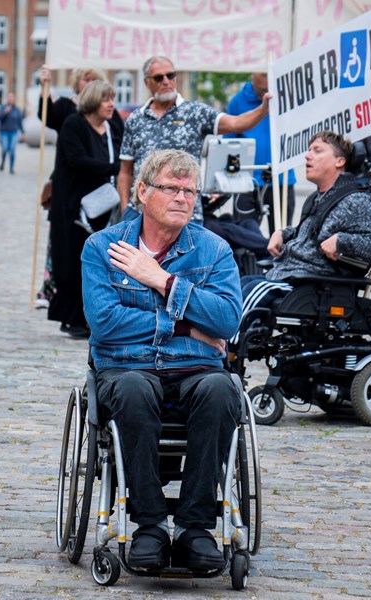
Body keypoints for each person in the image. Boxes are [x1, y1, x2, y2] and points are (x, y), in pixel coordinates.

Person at [82, 149, 242, 571]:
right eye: (171, 188)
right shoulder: (103, 247)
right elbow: (105, 324)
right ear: (142, 192)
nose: (182, 198)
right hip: (127, 366)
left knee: (222, 390)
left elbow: (227, 319)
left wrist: (163, 280)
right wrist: (186, 326)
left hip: (195, 370)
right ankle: (149, 525)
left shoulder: (213, 250)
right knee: (135, 389)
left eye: (190, 191)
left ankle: (195, 528)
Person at [240, 131, 371, 317]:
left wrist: (341, 241)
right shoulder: (318, 197)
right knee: (239, 284)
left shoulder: (355, 200)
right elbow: (310, 233)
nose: (307, 155)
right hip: (291, 274)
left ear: (339, 161)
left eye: (317, 150)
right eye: (309, 150)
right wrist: (284, 234)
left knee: (250, 295)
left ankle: (223, 346)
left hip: (313, 284)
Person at [117, 55, 269, 223]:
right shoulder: (135, 119)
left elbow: (236, 123)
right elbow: (125, 171)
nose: (166, 81)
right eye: (159, 77)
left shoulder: (195, 112)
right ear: (147, 82)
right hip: (140, 213)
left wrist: (263, 109)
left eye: (171, 75)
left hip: (184, 212)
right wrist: (125, 209)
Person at [48, 81, 122, 338]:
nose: (111, 104)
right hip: (73, 205)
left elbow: (123, 154)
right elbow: (77, 160)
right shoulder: (74, 124)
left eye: (112, 98)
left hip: (104, 203)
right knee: (70, 261)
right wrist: (116, 169)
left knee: (98, 262)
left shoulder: (112, 127)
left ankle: (91, 316)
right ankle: (72, 318)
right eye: (105, 99)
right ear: (93, 102)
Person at [225, 72, 295, 234]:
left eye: (269, 90)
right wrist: (231, 178)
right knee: (245, 234)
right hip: (247, 180)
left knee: (283, 233)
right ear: (252, 81)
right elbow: (229, 142)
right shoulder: (238, 101)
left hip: (282, 177)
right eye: (261, 90)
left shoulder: (287, 97)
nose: (265, 95)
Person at [0, 92, 24, 174]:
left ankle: (11, 168)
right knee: (4, 148)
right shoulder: (3, 107)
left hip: (14, 132)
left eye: (12, 97)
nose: (11, 99)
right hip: (4, 132)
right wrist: (5, 113)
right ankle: (3, 163)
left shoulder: (17, 109)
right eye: (9, 97)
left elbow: (19, 121)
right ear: (7, 98)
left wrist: (23, 132)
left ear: (14, 99)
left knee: (12, 149)